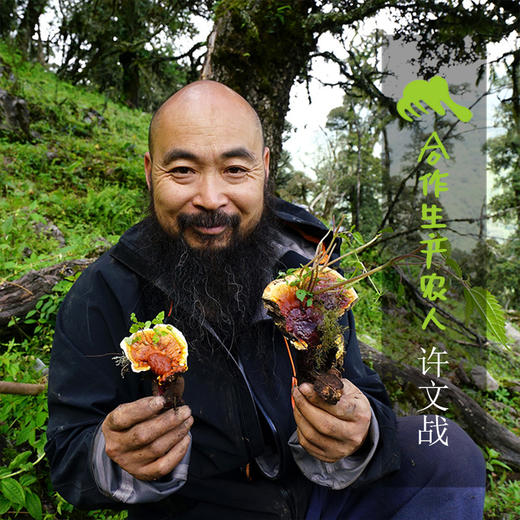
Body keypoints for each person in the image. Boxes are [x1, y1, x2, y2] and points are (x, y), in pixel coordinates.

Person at [46, 81, 486, 519]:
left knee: (445, 453)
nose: (211, 198)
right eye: (182, 170)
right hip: (201, 508)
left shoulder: (307, 271)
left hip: (320, 493)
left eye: (235, 169)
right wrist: (113, 454)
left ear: (265, 168)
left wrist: (362, 432)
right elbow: (68, 455)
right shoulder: (103, 294)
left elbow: (362, 388)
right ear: (149, 171)